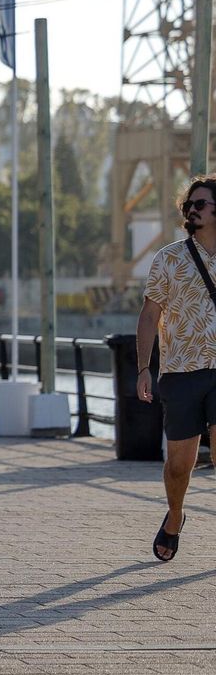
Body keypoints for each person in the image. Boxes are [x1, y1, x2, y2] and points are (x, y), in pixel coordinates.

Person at [139, 175, 216, 561]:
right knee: (179, 466)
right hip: (181, 371)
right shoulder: (168, 258)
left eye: (200, 204)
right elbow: (149, 314)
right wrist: (143, 367)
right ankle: (175, 516)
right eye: (189, 204)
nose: (192, 210)